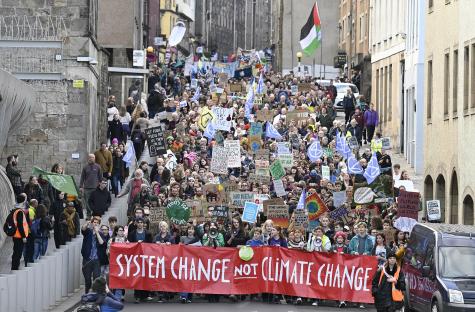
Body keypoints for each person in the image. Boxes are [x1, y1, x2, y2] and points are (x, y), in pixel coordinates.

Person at [126, 217, 153, 304]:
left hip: (145, 258)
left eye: (142, 222)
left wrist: (143, 244)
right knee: (137, 276)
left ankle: (145, 295)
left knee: (145, 276)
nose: (140, 224)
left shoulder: (148, 233)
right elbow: (129, 245)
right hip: (136, 258)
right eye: (139, 222)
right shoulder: (132, 234)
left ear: (143, 224)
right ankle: (137, 296)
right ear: (136, 223)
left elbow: (151, 246)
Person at [81, 216, 104, 294]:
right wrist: (87, 224)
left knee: (96, 278)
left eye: (97, 223)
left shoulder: (101, 233)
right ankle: (87, 294)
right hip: (87, 258)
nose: (95, 224)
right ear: (92, 223)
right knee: (87, 279)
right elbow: (83, 229)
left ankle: (94, 294)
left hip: (96, 259)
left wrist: (97, 232)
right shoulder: (88, 231)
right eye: (94, 222)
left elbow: (101, 242)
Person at [10, 194, 29, 270]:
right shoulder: (20, 212)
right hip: (19, 236)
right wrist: (24, 236)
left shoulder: (15, 209)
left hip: (15, 235)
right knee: (18, 253)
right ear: (23, 201)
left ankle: (14, 267)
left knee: (15, 252)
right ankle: (15, 268)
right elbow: (20, 225)